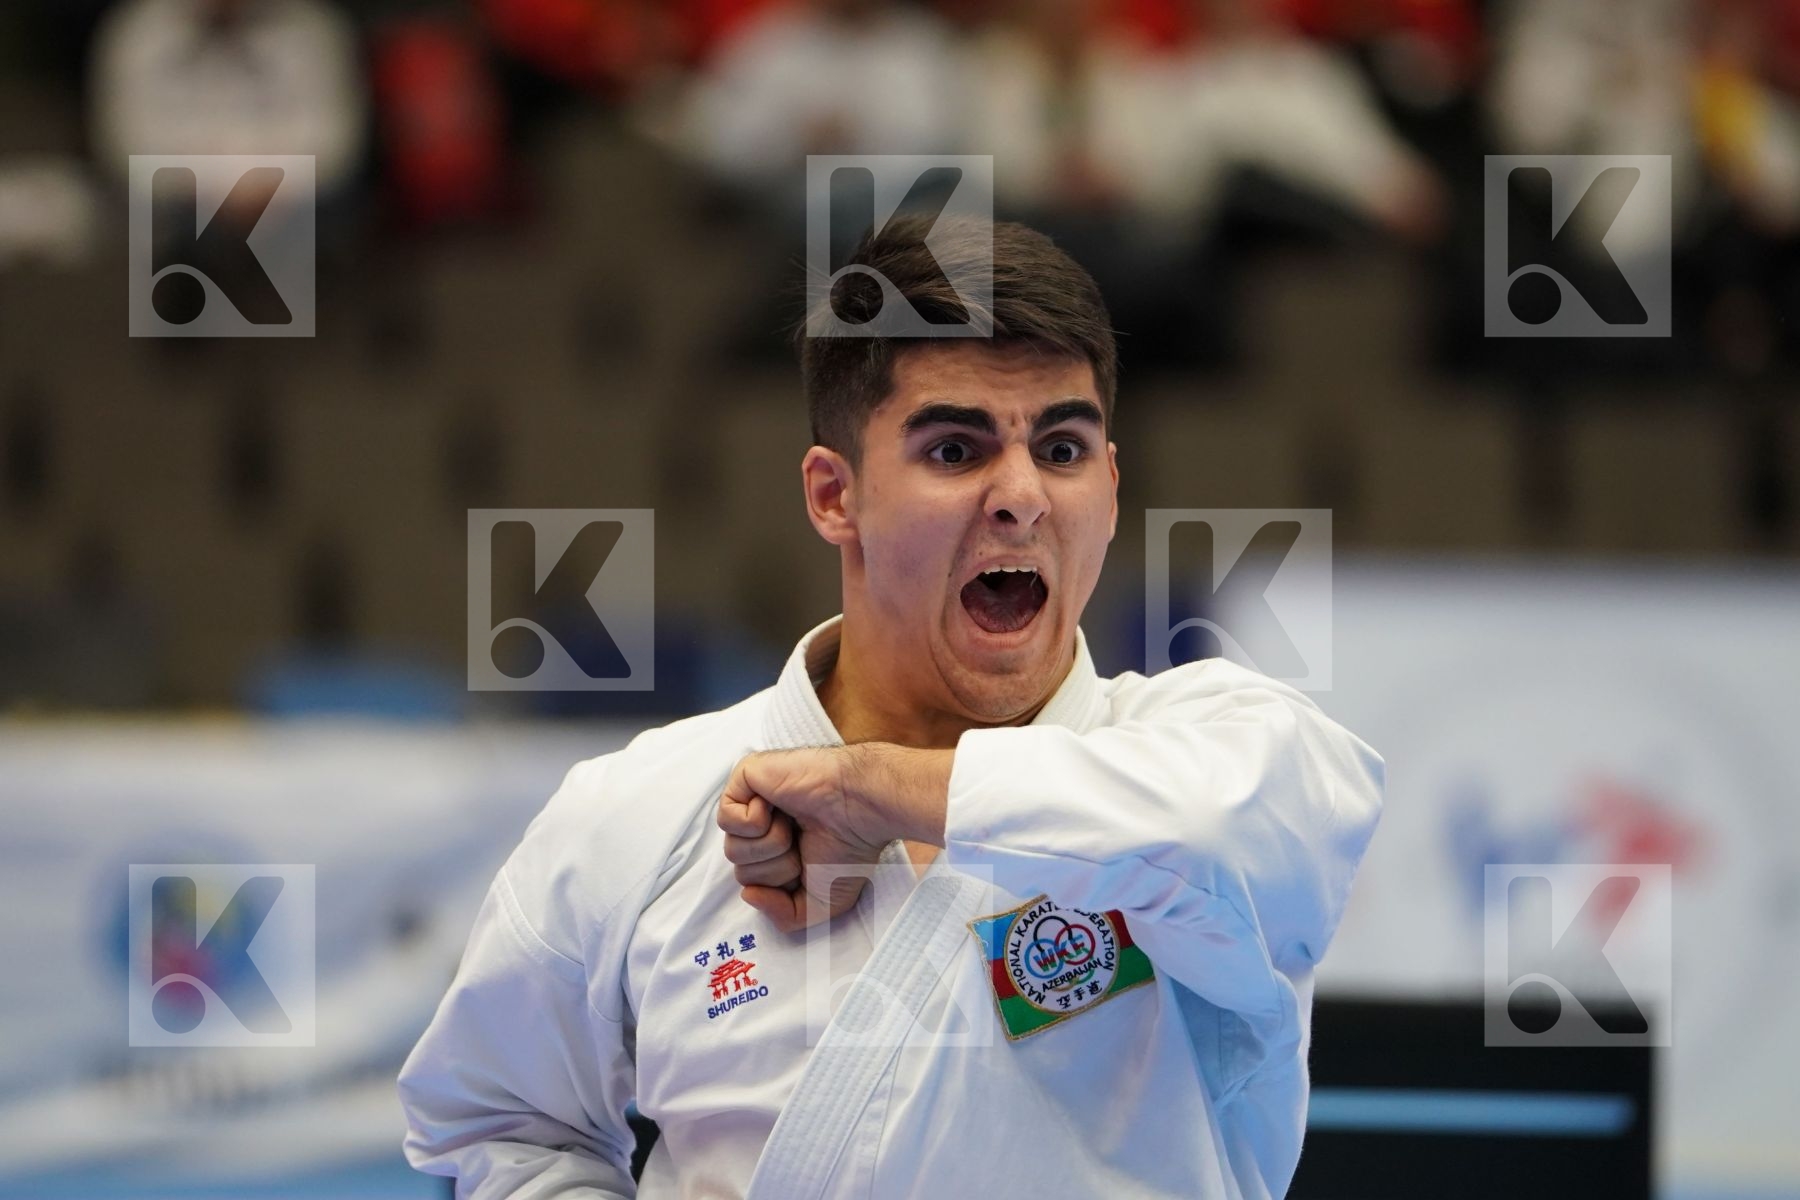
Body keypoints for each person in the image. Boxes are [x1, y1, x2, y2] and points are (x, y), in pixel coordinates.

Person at [396, 218, 1384, 1198]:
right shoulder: (641, 810)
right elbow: (506, 1125)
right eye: (956, 450)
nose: (1022, 496)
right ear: (835, 495)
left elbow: (1212, 829)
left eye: (1064, 447)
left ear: (1113, 487)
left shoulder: (1230, 745)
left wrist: (877, 788)